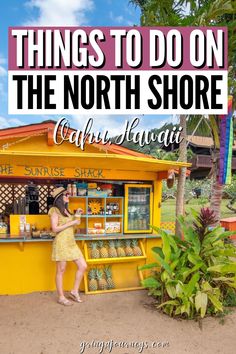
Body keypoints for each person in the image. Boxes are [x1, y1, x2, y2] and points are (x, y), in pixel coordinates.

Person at [48, 187, 87, 306]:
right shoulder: (54, 211)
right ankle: (61, 297)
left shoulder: (67, 210)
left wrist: (77, 215)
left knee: (83, 266)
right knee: (61, 270)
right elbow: (55, 229)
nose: (68, 196)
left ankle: (74, 291)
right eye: (66, 194)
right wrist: (72, 222)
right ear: (59, 197)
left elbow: (75, 224)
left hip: (71, 242)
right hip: (61, 243)